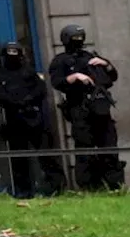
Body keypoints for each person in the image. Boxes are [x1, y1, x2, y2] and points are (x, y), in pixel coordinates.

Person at [48, 24, 123, 191]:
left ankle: (114, 185)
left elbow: (111, 77)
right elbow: (57, 82)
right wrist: (74, 77)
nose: (78, 42)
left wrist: (106, 64)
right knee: (85, 150)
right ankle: (88, 186)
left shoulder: (91, 57)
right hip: (79, 109)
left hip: (101, 109)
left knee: (109, 147)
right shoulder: (60, 61)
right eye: (74, 39)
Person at [0, 41, 66, 198]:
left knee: (46, 155)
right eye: (9, 52)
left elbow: (41, 90)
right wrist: (15, 103)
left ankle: (56, 187)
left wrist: (28, 101)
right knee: (19, 159)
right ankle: (23, 191)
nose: (12, 55)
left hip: (35, 118)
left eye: (15, 52)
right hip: (14, 119)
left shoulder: (30, 73)